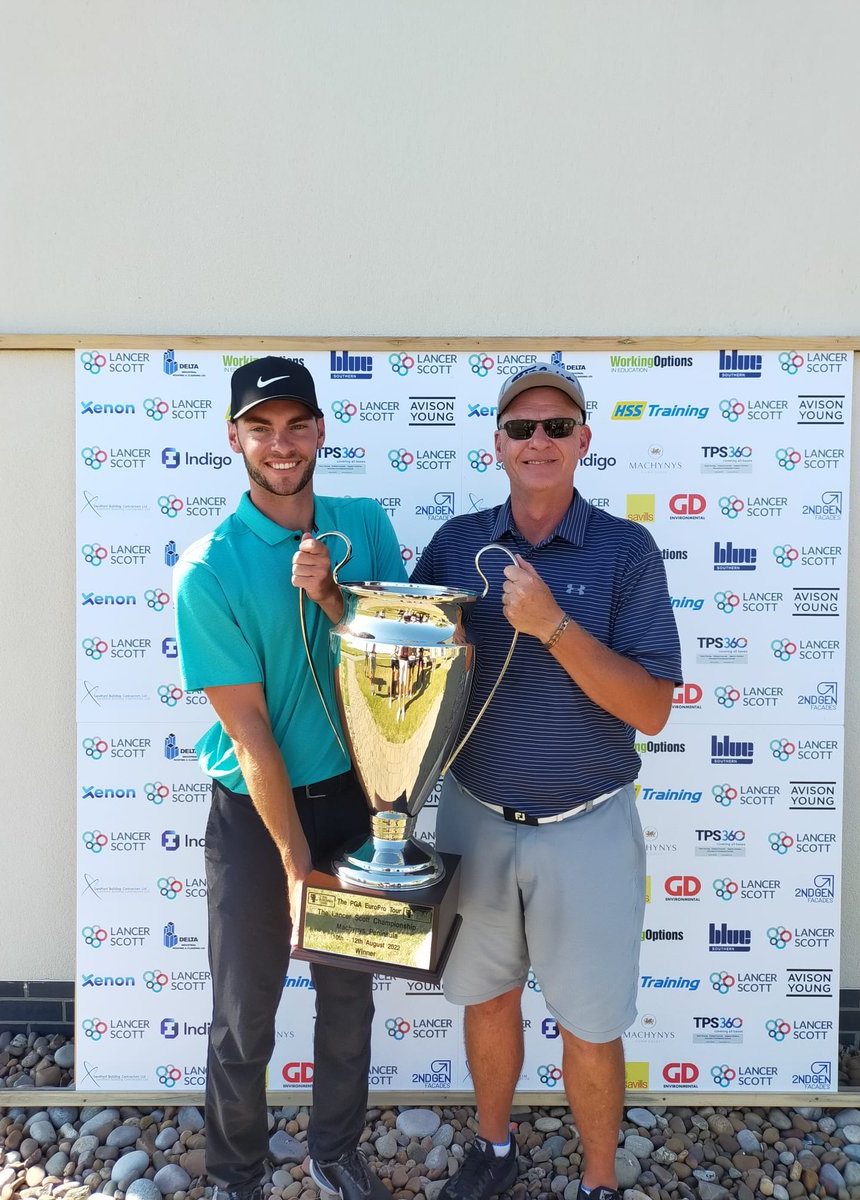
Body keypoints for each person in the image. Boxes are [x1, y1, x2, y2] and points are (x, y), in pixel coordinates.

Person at [411, 362, 682, 1200]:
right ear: (497, 444)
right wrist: (329, 604)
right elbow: (404, 661)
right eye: (522, 427)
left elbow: (652, 709)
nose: (539, 441)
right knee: (486, 1001)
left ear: (583, 442)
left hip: (587, 825)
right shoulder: (459, 543)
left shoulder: (625, 550)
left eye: (557, 427)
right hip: (476, 816)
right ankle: (495, 1151)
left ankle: (600, 1182)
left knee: (591, 1026)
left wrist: (553, 627)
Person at [173, 357, 407, 1200]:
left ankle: (334, 1152)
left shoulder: (365, 525)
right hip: (253, 813)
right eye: (261, 427)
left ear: (319, 432)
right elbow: (251, 732)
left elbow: (403, 667)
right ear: (234, 437)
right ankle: (238, 1172)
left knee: (348, 1005)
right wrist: (292, 861)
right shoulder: (209, 567)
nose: (281, 444)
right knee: (245, 1017)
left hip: (354, 804)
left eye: (296, 425)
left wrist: (337, 600)